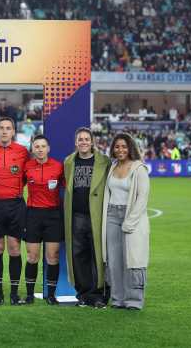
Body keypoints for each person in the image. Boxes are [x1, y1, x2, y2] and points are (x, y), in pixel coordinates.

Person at [0, 117, 29, 305]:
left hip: (16, 205)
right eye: (1, 128)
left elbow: (25, 176)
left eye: (8, 128)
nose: (4, 131)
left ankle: (14, 294)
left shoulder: (22, 151)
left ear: (13, 131)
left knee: (15, 248)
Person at [102, 133, 150, 310]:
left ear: (130, 148)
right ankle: (117, 300)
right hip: (112, 216)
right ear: (113, 149)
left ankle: (134, 301)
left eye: (124, 146)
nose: (120, 150)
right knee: (114, 260)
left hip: (132, 218)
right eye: (117, 147)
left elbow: (142, 198)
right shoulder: (112, 167)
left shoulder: (139, 169)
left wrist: (130, 222)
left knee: (133, 260)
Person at [63, 127, 110, 308]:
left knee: (98, 255)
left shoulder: (103, 162)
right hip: (77, 216)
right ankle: (83, 293)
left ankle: (99, 294)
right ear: (76, 143)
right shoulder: (69, 162)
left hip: (97, 216)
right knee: (78, 255)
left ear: (92, 142)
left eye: (86, 139)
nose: (83, 142)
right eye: (80, 139)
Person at [23, 135, 64, 305]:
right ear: (32, 149)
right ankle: (30, 295)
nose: (40, 149)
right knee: (33, 256)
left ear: (48, 148)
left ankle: (51, 295)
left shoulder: (58, 166)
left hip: (53, 215)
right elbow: (17, 187)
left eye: (43, 146)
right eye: (37, 146)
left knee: (52, 256)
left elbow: (69, 187)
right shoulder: (27, 166)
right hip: (32, 215)